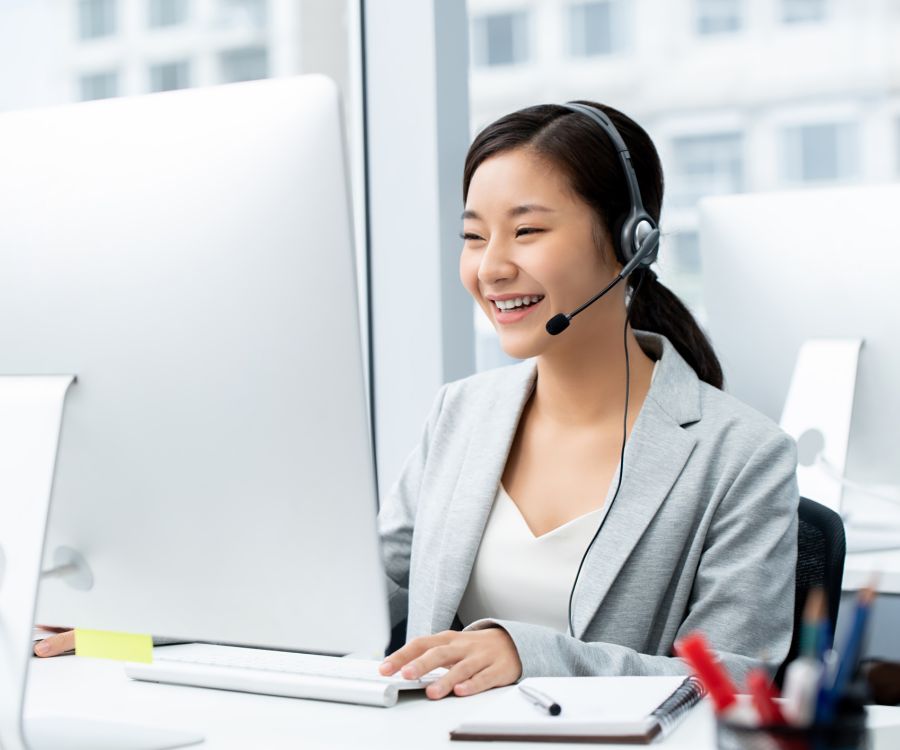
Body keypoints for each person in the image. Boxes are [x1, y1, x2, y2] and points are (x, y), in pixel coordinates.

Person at [36, 102, 799, 706]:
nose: (492, 267)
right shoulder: (461, 416)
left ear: (631, 241)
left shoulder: (741, 455)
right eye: (473, 237)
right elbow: (343, 604)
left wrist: (526, 654)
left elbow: (739, 684)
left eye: (527, 231)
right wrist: (136, 629)